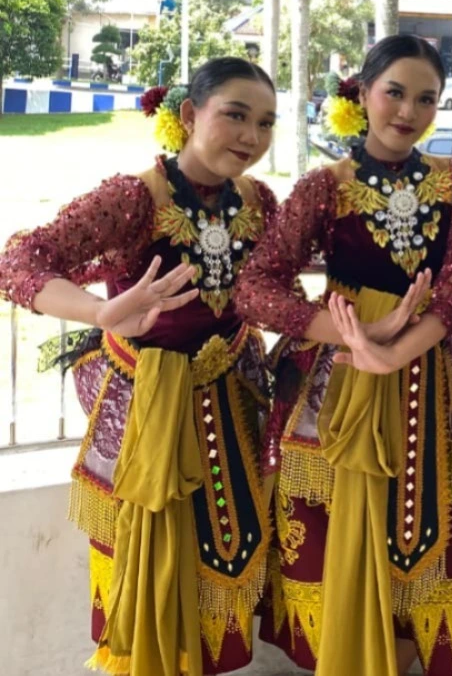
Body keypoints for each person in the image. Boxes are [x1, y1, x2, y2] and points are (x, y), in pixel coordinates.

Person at [0, 57, 280, 674]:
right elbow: (19, 262)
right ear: (189, 115)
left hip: (229, 406)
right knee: (143, 567)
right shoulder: (132, 198)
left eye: (265, 123)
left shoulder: (259, 201)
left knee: (225, 560)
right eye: (234, 115)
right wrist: (102, 313)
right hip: (142, 410)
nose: (251, 137)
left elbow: (278, 283)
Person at [234, 34, 452, 676]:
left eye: (426, 98)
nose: (408, 111)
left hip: (425, 381)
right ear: (364, 93)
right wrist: (345, 332)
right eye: (394, 93)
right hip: (336, 386)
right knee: (330, 540)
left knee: (415, 537)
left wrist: (396, 346)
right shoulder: (326, 187)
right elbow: (255, 284)